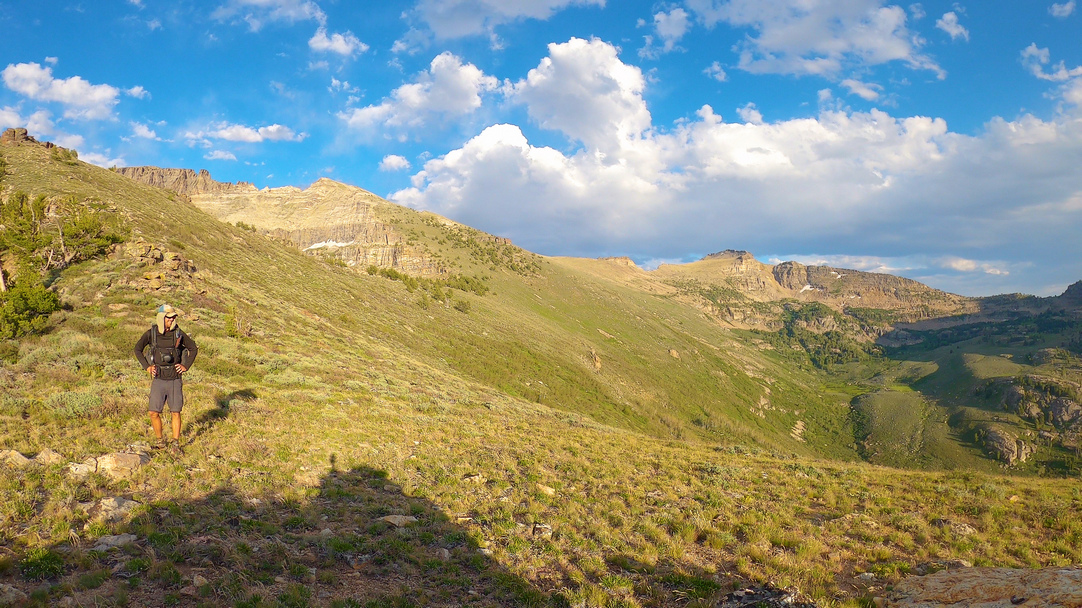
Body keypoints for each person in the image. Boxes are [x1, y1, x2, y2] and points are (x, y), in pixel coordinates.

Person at [134, 304, 198, 454]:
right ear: (162, 318)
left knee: (175, 411)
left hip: (175, 378)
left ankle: (175, 443)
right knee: (153, 412)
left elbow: (193, 348)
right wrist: (147, 366)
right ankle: (160, 442)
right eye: (169, 318)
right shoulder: (152, 333)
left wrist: (185, 366)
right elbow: (137, 349)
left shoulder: (179, 333)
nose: (172, 320)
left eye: (174, 317)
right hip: (158, 378)